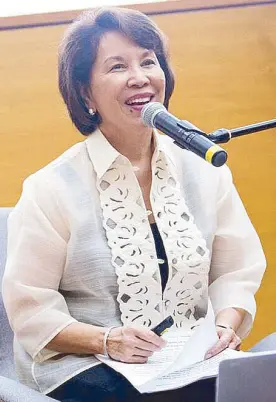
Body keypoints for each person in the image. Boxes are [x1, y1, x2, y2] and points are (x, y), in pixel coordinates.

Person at [2, 6, 266, 402]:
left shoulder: (204, 170)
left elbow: (236, 270)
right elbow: (31, 309)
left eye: (148, 61)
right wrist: (107, 340)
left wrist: (226, 325)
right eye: (117, 67)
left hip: (191, 360)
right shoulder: (50, 188)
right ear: (85, 92)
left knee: (251, 384)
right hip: (89, 366)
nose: (139, 77)